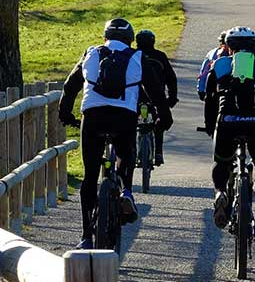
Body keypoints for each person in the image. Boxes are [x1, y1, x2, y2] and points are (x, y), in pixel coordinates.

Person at [59, 18, 173, 249]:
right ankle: (127, 192)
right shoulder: (137, 57)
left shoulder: (91, 53)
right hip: (123, 117)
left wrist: (65, 114)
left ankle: (85, 236)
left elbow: (70, 85)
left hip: (93, 117)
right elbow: (156, 92)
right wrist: (164, 117)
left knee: (90, 176)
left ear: (105, 37)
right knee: (125, 153)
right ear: (130, 40)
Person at [203, 26, 255, 243]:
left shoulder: (219, 65)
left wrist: (211, 126)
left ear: (228, 47)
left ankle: (220, 192)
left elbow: (209, 100)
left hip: (227, 123)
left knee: (221, 162)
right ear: (254, 46)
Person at [135, 29, 178, 166]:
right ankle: (158, 152)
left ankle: (131, 151)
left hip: (136, 97)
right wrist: (172, 98)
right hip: (157, 97)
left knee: (132, 122)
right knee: (160, 123)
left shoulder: (134, 55)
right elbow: (171, 79)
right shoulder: (160, 56)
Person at [197, 31, 231, 100]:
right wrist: (201, 89)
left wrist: (200, 89)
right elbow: (204, 73)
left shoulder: (213, 53)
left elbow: (203, 73)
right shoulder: (213, 54)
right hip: (216, 88)